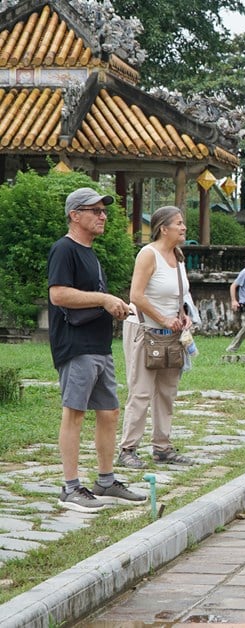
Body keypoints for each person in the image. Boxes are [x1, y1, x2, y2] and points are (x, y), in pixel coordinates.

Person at [48, 188, 144, 511]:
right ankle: (70, 487)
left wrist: (114, 305)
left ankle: (105, 480)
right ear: (75, 215)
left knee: (109, 412)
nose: (102, 216)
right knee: (74, 412)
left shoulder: (91, 253)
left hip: (100, 345)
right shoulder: (64, 249)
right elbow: (58, 295)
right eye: (95, 210)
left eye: (103, 211)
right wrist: (103, 300)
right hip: (76, 345)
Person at [118, 205, 197, 469]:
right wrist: (162, 318)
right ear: (164, 228)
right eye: (179, 223)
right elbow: (136, 296)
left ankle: (162, 447)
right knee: (141, 392)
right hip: (144, 331)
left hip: (171, 334)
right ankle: (128, 448)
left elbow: (179, 294)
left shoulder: (178, 256)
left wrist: (183, 313)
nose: (184, 227)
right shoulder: (148, 254)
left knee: (167, 392)